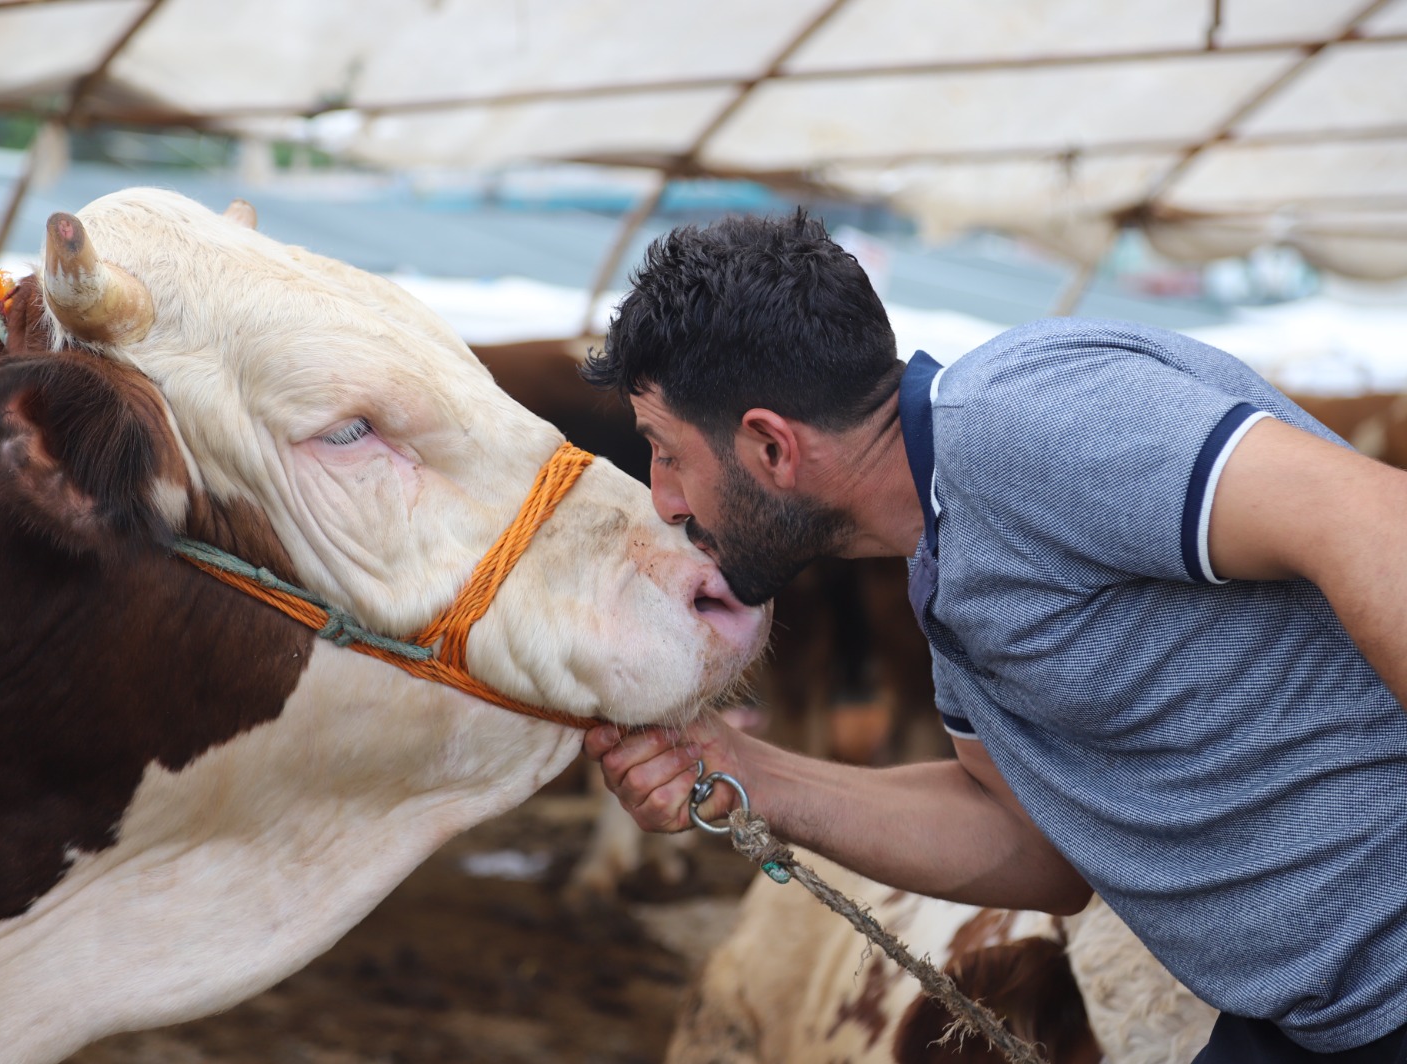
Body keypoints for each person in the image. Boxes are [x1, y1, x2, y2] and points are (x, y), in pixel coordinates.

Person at [578, 211, 1407, 1063]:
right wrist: (743, 770)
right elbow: (1029, 845)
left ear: (771, 447)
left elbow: (1368, 517)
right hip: (1312, 1023)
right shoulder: (948, 559)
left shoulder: (1026, 417)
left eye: (666, 452)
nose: (664, 500)